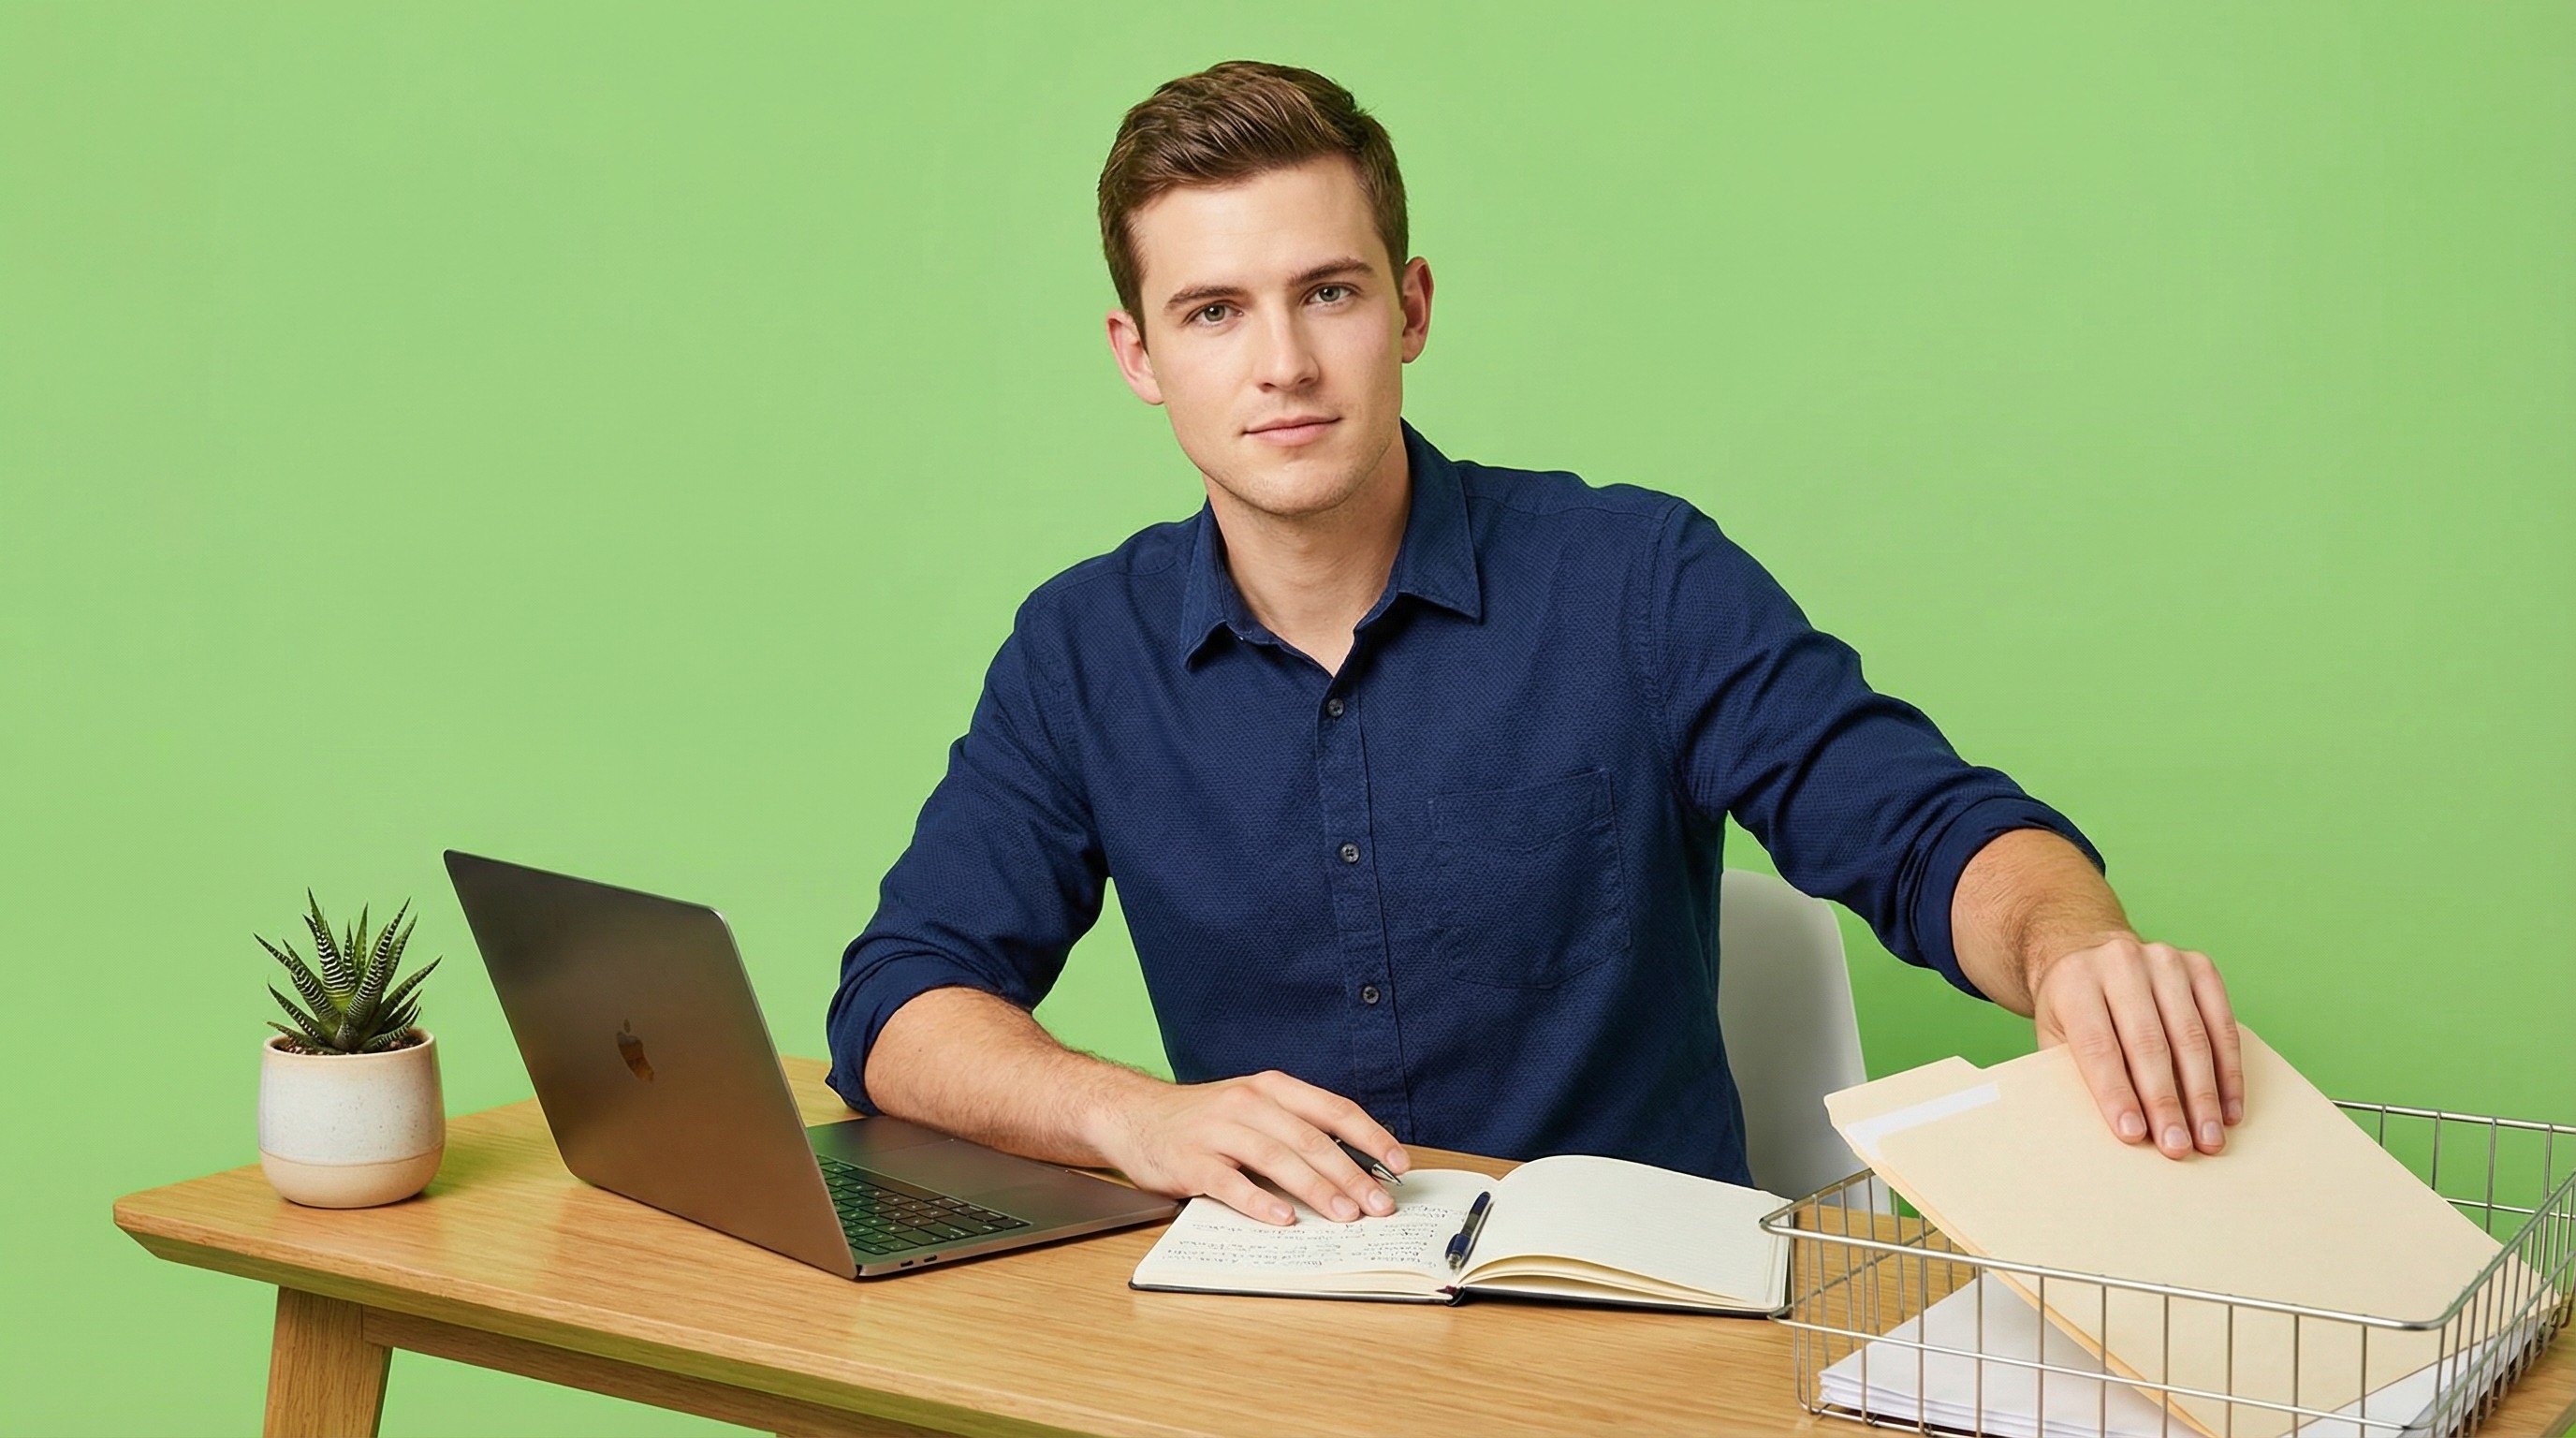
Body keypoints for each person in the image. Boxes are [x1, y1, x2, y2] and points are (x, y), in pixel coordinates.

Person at [825, 60, 2244, 1228]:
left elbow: (1930, 830)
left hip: (1643, 1317)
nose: (1284, 367)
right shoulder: (1082, 650)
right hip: (1283, 1324)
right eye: (1213, 312)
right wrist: (1136, 1118)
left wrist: (2074, 952)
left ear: (1411, 307)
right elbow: (898, 1004)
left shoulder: (1637, 576)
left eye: (1329, 291)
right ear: (1140, 356)